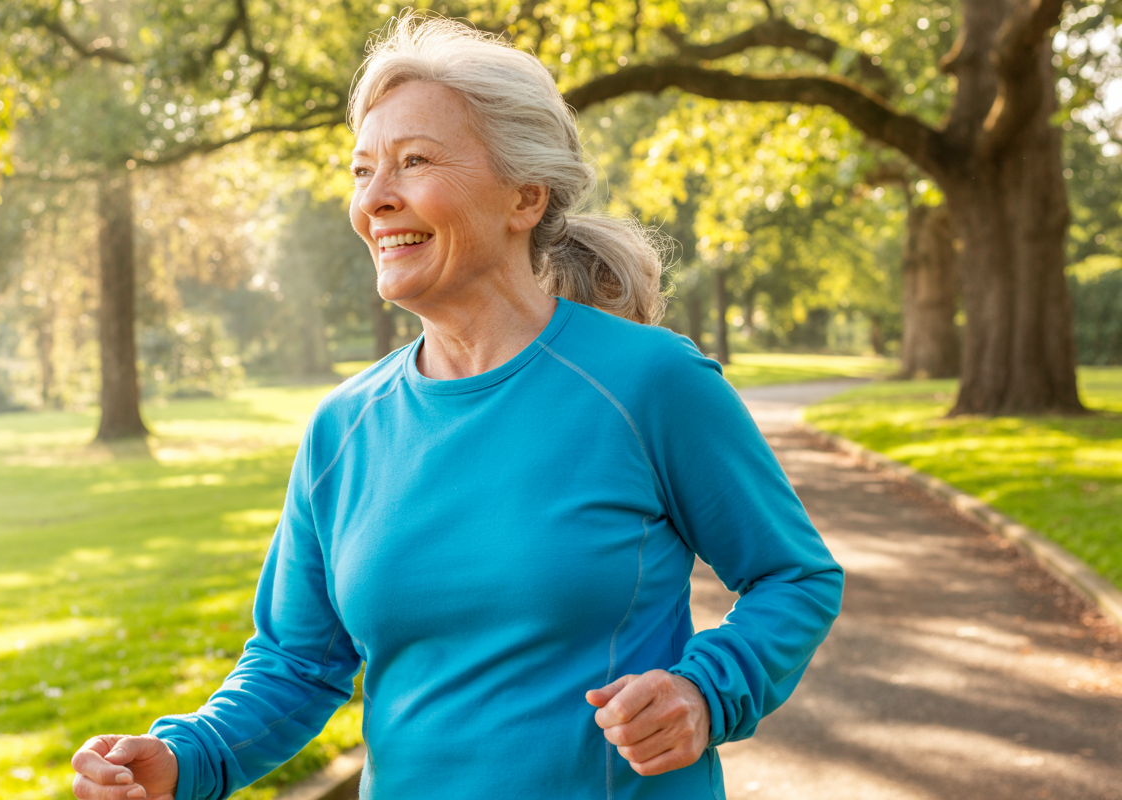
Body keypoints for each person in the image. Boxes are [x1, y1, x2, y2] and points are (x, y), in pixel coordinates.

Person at [71, 14, 843, 800]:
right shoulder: (343, 429)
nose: (375, 199)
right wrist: (184, 757)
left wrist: (706, 692)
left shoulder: (648, 382)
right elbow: (296, 663)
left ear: (525, 197)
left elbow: (795, 575)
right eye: (362, 170)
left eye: (413, 161)